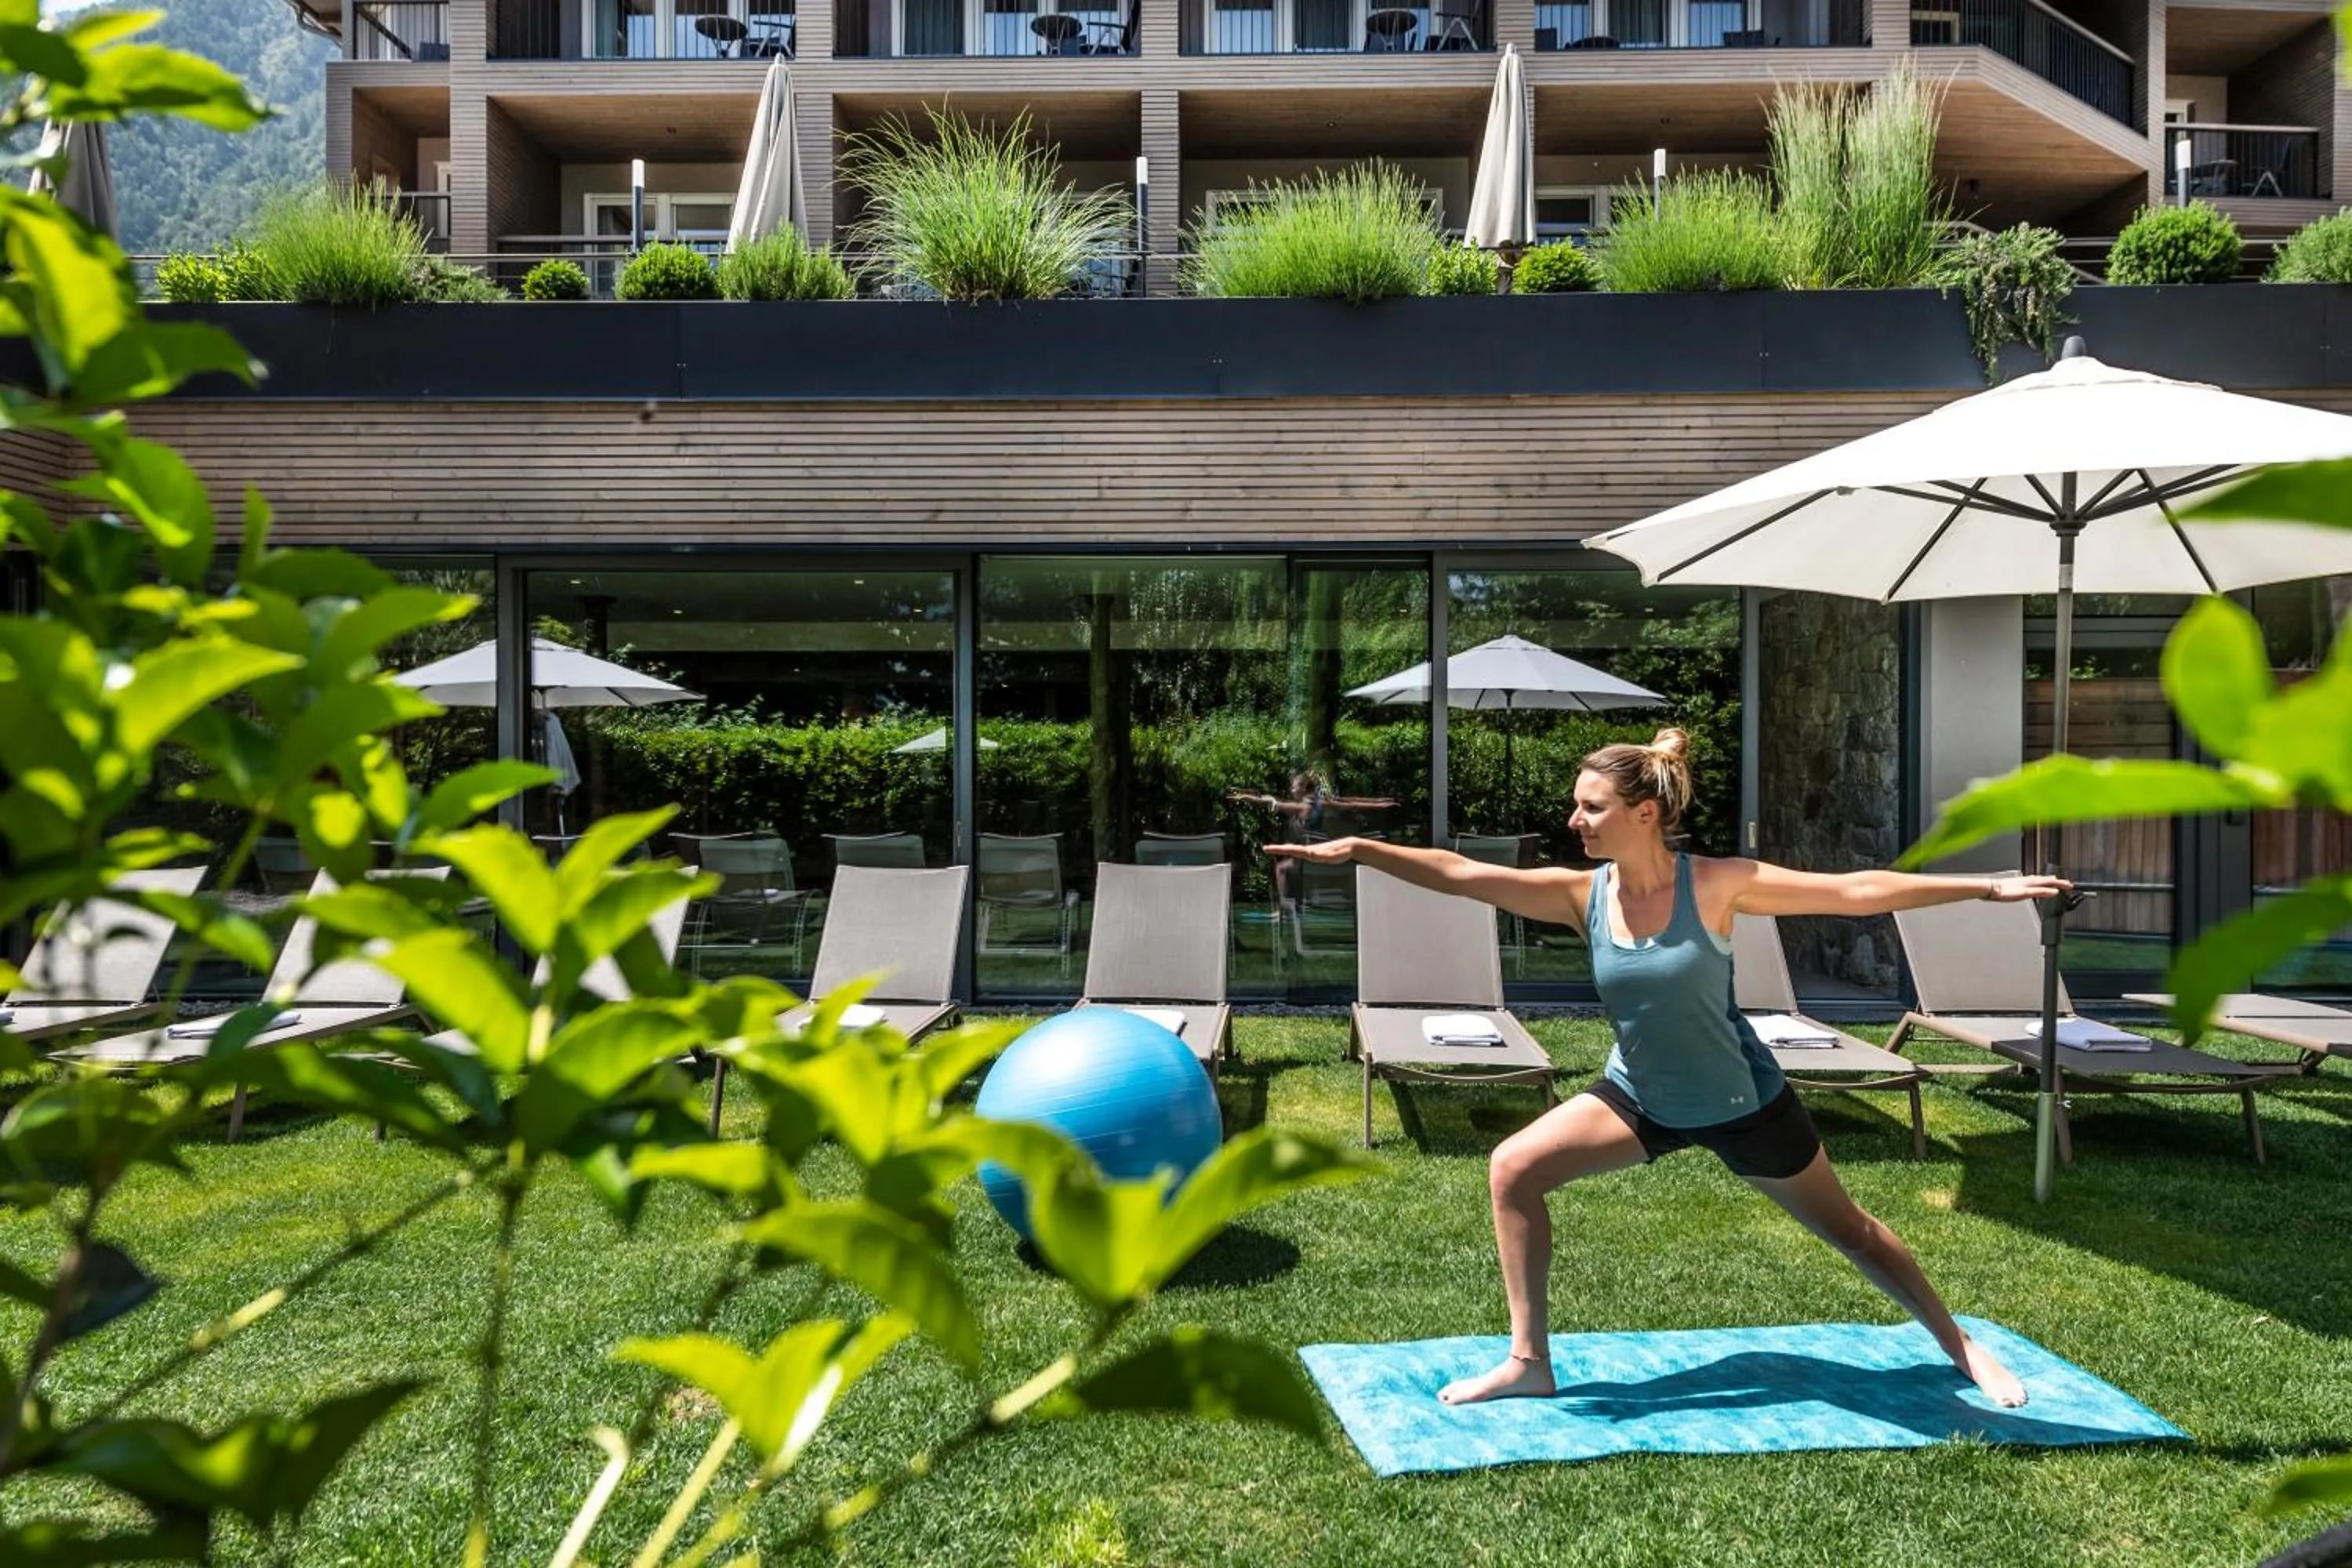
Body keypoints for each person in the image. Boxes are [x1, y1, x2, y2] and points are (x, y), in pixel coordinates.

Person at [1266, 727, 2059, 1410]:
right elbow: (1462, 874)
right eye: (1576, 805)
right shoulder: (1583, 894)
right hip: (1640, 1096)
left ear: (1644, 813)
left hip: (1742, 1102)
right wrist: (1363, 848)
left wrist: (1984, 885)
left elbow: (1853, 890)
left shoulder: (1717, 883)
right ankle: (1528, 1361)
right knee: (1512, 1167)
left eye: (1591, 807)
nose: (1574, 820)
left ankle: (1960, 1346)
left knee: (1850, 1230)